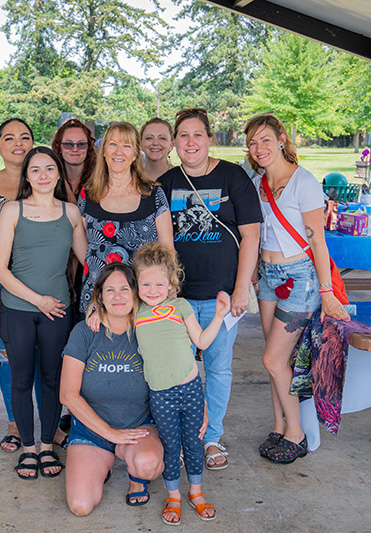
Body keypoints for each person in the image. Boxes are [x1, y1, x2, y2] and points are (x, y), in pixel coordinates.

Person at [158, 108, 262, 470]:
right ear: (174, 142)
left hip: (221, 298)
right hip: (180, 298)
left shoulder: (234, 177)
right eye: (183, 136)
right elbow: (163, 244)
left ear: (209, 138)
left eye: (197, 135)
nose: (190, 142)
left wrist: (241, 290)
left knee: (218, 369)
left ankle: (212, 437)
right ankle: (185, 435)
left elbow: (251, 235)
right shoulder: (167, 183)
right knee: (180, 372)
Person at [244, 113, 350, 464]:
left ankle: (297, 433)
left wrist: (326, 291)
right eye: (252, 142)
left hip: (300, 277)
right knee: (276, 361)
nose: (258, 147)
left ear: (281, 139)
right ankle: (279, 425)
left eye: (264, 139)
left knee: (273, 359)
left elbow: (318, 243)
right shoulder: (258, 182)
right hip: (268, 277)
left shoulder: (304, 182)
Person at [0, 146, 87, 480]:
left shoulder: (71, 213)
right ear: (26, 175)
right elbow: (0, 270)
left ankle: (47, 445)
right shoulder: (12, 211)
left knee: (51, 379)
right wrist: (38, 300)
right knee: (21, 378)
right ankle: (29, 448)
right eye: (35, 170)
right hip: (18, 308)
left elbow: (90, 260)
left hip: (58, 309)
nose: (43, 175)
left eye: (49, 169)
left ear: (59, 173)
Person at [133, 243, 228, 525]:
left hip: (189, 391)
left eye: (158, 284)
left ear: (171, 283)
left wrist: (220, 316)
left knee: (193, 444)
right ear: (136, 284)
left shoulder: (181, 306)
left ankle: (196, 493)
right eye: (145, 284)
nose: (152, 290)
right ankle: (173, 495)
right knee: (172, 448)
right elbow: (109, 312)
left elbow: (201, 342)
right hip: (160, 395)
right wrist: (93, 314)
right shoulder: (135, 312)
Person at [60, 262, 164, 516]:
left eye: (125, 289)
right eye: (110, 291)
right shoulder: (84, 332)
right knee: (80, 506)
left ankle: (135, 474)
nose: (118, 297)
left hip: (138, 426)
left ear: (136, 293)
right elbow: (67, 395)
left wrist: (199, 406)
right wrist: (109, 433)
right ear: (100, 298)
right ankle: (101, 463)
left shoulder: (150, 329)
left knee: (147, 465)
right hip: (92, 431)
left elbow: (180, 371)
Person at [0, 118, 44, 453]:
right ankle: (15, 423)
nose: (18, 143)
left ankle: (48, 426)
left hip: (42, 286)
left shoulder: (45, 181)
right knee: (9, 356)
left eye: (25, 137)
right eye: (9, 138)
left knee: (44, 356)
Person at [78, 121, 174, 318]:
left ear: (136, 154)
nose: (119, 151)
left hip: (142, 296)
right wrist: (98, 269)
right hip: (98, 294)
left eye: (127, 145)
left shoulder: (154, 194)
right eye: (113, 144)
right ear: (103, 151)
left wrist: (168, 289)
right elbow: (80, 242)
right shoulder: (88, 194)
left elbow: (167, 250)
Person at [51, 118, 97, 201]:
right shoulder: (49, 178)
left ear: (88, 147)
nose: (75, 149)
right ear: (59, 147)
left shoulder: (100, 177)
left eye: (81, 144)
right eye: (68, 144)